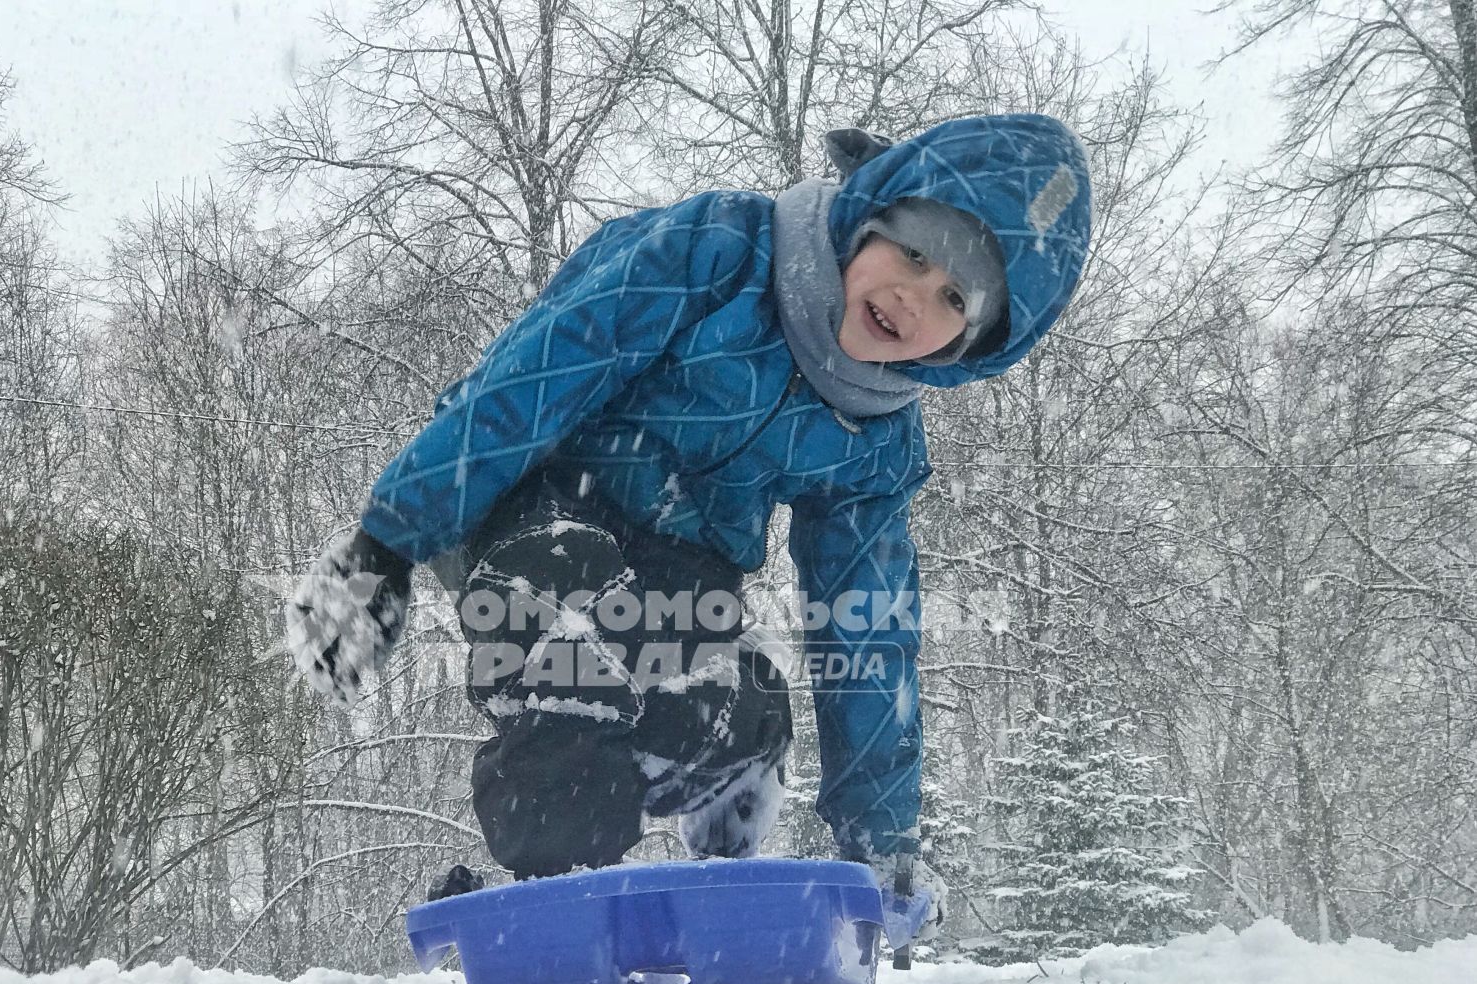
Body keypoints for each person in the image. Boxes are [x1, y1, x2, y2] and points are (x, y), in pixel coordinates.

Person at [287, 115, 1092, 930]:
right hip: (535, 495)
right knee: (569, 626)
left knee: (690, 688)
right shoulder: (719, 252)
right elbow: (537, 375)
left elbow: (869, 627)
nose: (911, 298)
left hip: (686, 562)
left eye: (954, 297)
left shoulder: (875, 435)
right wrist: (387, 540)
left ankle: (738, 736)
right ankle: (554, 867)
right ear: (869, 215)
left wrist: (879, 842)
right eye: (914, 253)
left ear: (976, 341)